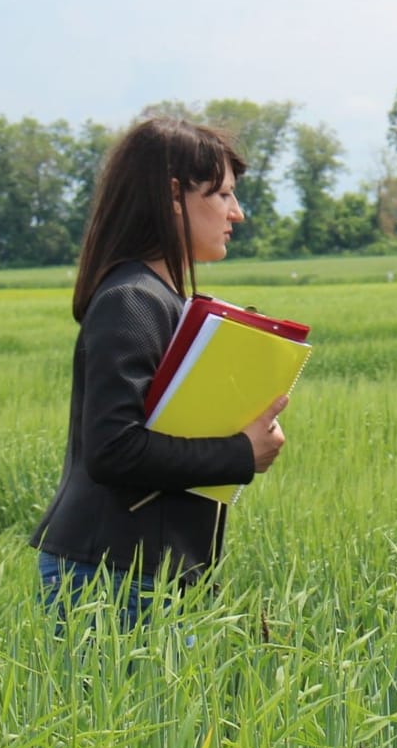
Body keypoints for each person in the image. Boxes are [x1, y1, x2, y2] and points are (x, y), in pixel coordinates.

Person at [29, 115, 287, 622]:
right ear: (173, 195)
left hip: (143, 570)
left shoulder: (159, 299)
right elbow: (113, 450)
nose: (237, 213)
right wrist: (241, 452)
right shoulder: (131, 300)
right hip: (115, 575)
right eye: (222, 194)